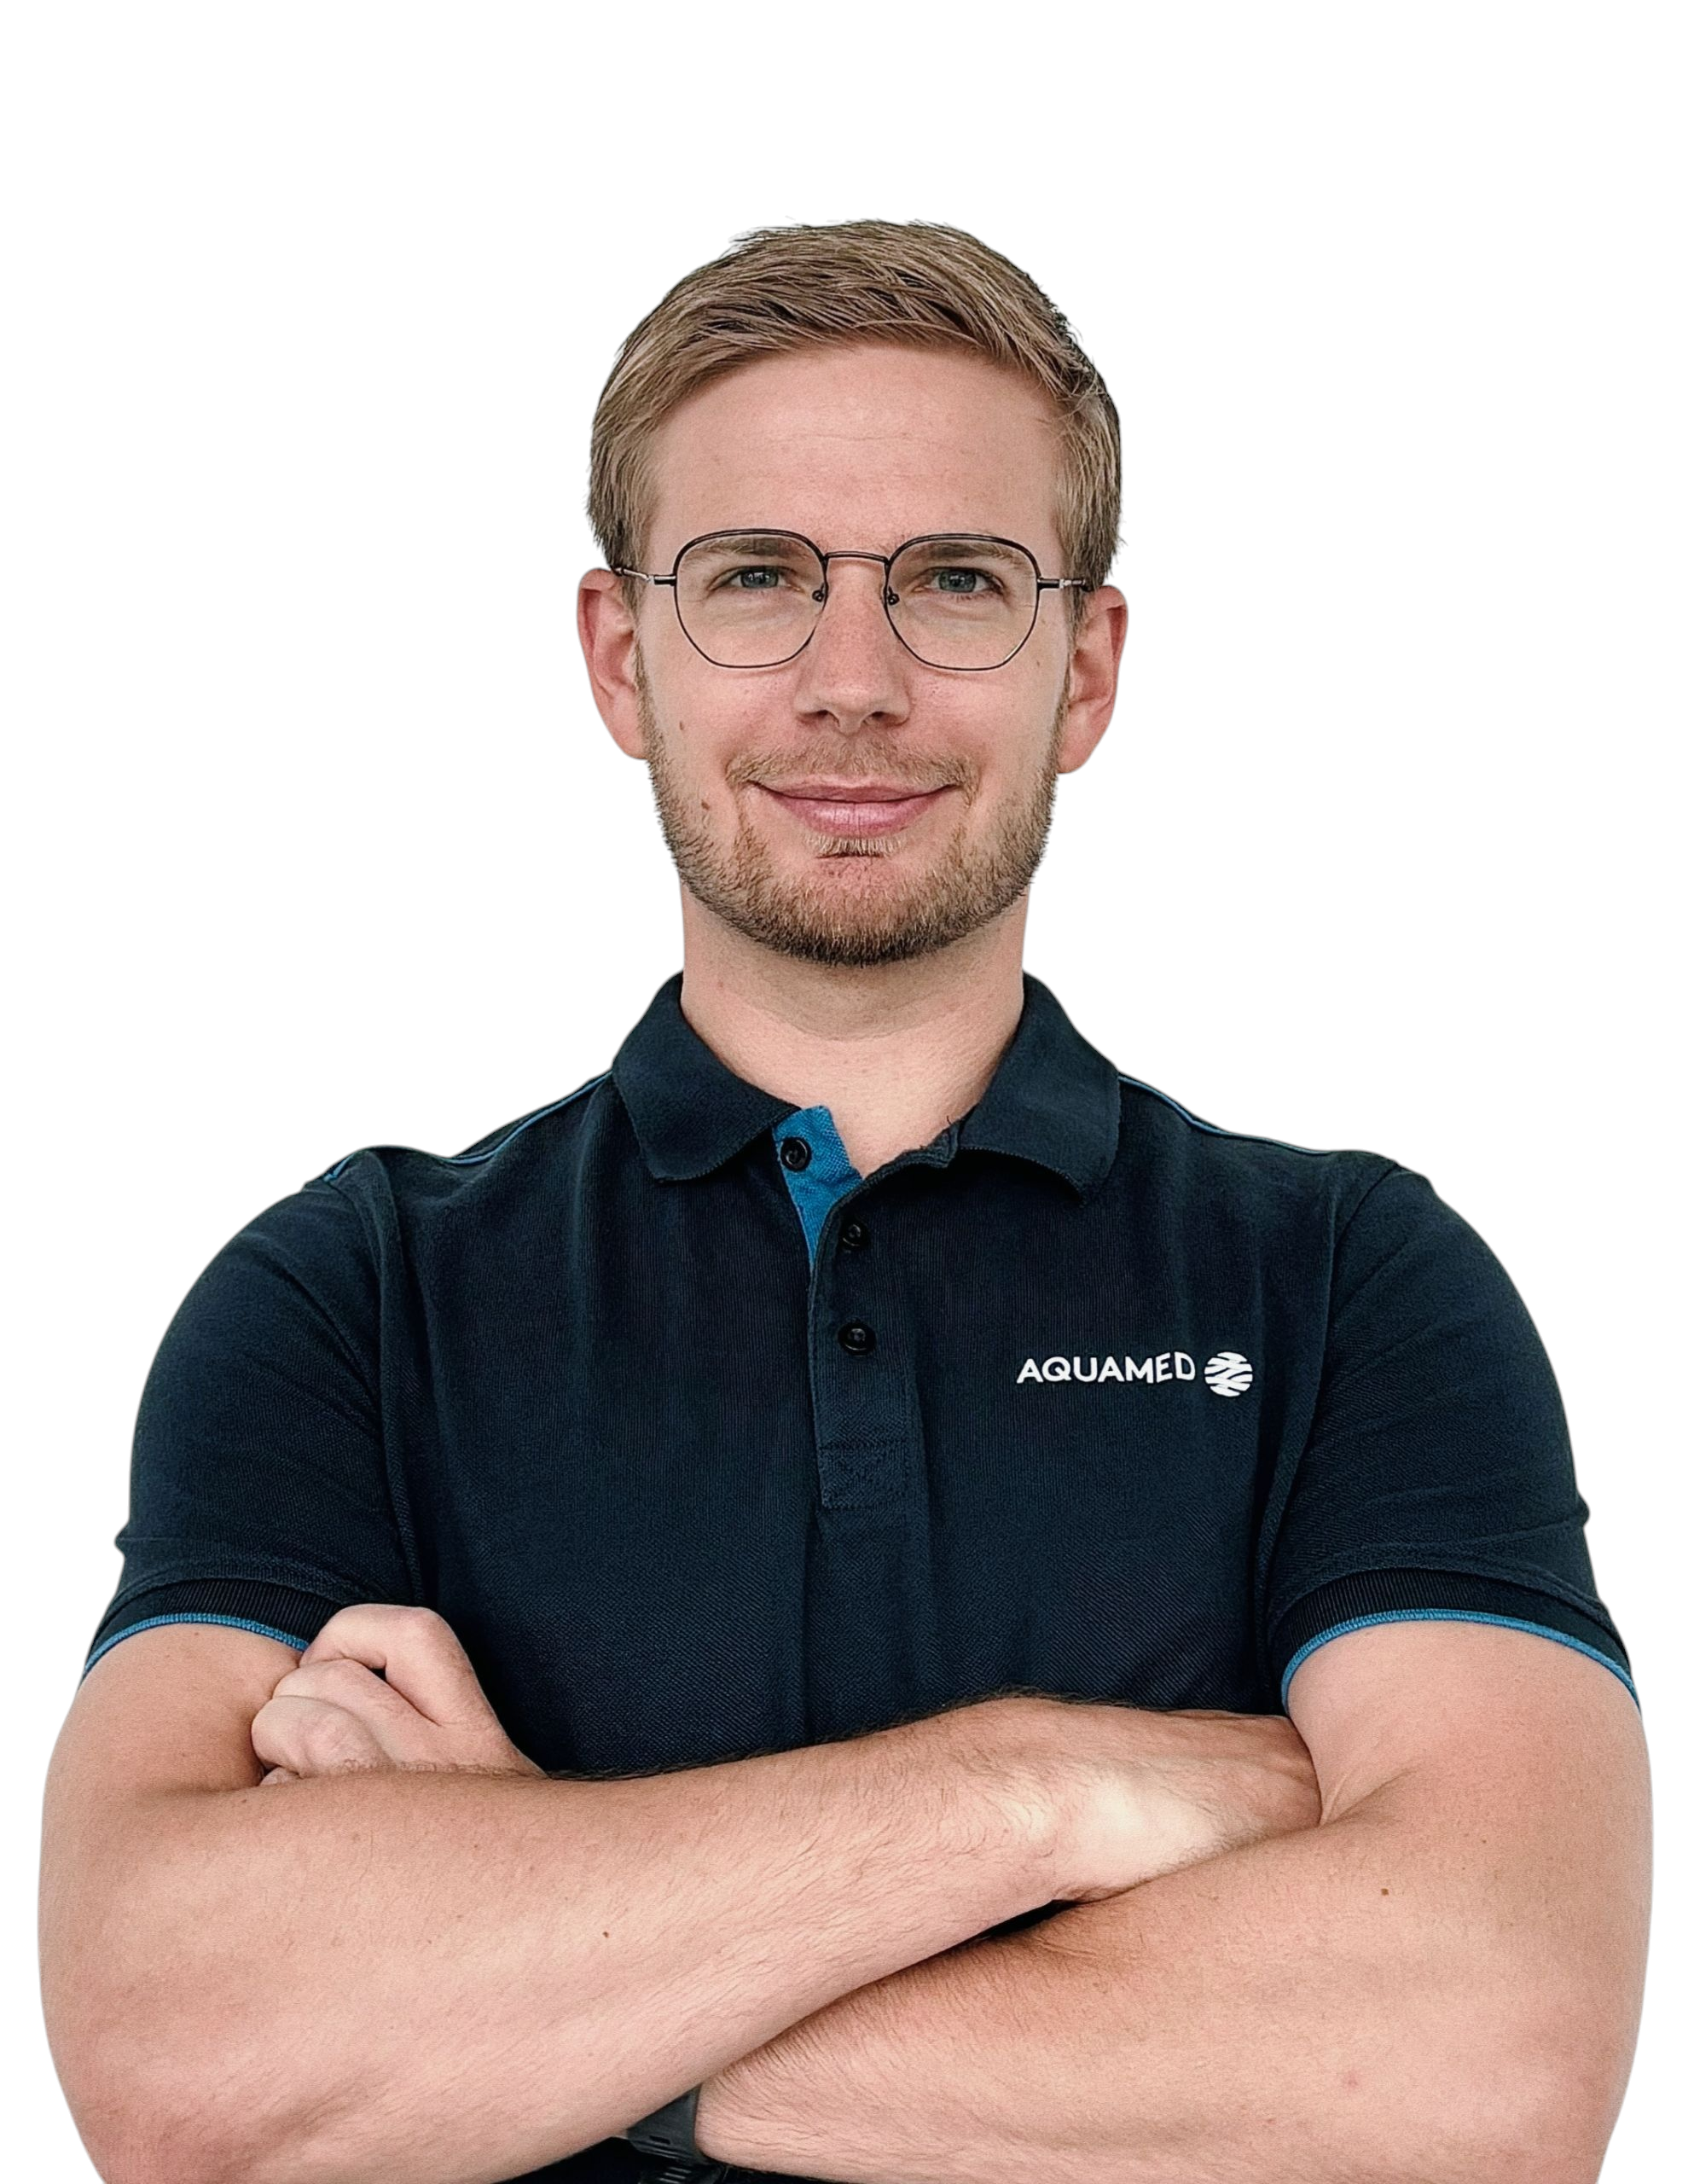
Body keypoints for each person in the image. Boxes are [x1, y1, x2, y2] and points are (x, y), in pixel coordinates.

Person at [42, 220, 1650, 2184]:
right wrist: (1037, 1785)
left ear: (1087, 669)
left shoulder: (1351, 1287)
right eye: (757, 579)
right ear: (622, 659)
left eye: (959, 581)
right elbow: (182, 2057)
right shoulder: (352, 1300)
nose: (855, 682)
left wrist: (538, 1961)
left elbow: (1485, 2069)